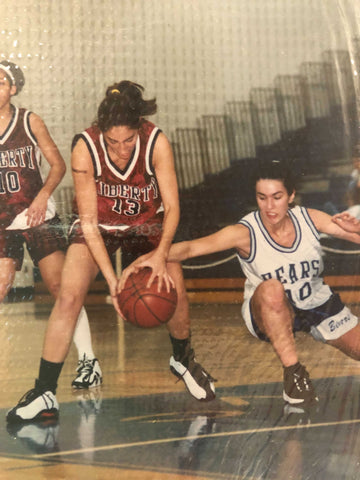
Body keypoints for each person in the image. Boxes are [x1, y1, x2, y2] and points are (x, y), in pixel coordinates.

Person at [6, 80, 215, 424]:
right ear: (101, 131)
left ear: (140, 129)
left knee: (171, 277)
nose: (120, 150)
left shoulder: (156, 142)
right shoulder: (85, 146)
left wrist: (161, 255)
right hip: (99, 226)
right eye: (112, 141)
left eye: (128, 140)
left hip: (144, 224)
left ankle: (182, 358)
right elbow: (87, 222)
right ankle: (44, 391)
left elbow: (173, 208)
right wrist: (113, 281)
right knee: (68, 296)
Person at [121, 159, 360, 405]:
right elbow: (191, 248)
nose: (269, 206)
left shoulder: (310, 218)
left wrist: (357, 227)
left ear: (291, 195)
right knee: (272, 289)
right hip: (269, 309)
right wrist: (146, 259)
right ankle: (294, 376)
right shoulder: (245, 232)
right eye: (262, 197)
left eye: (277, 197)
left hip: (316, 304)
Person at [0, 60, 102, 391]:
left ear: (13, 89)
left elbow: (58, 164)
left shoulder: (29, 121)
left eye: (1, 82)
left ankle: (88, 360)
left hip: (35, 213)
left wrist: (43, 196)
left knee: (62, 289)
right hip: (2, 219)